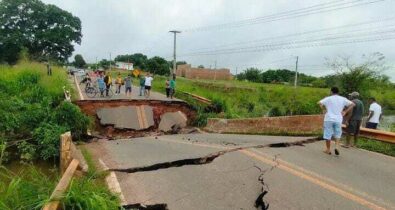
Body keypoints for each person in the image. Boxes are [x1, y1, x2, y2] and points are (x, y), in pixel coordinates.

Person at [318, 87, 355, 155]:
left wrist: (324, 110)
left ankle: (328, 149)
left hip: (328, 119)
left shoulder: (328, 98)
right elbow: (353, 104)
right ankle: (337, 147)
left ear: (331, 92)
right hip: (338, 119)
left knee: (328, 134)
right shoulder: (343, 99)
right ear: (338, 92)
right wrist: (345, 111)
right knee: (337, 134)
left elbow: (319, 103)